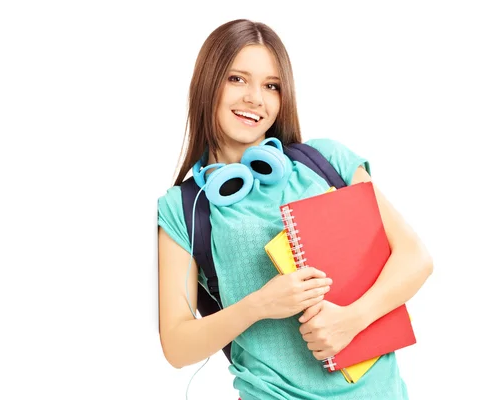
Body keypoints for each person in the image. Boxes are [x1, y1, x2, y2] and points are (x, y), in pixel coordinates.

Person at [157, 18, 433, 400]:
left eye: (272, 86)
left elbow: (416, 258)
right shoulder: (183, 208)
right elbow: (176, 345)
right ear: (208, 83)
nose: (255, 97)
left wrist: (350, 322)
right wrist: (260, 304)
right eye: (237, 79)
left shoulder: (328, 161)